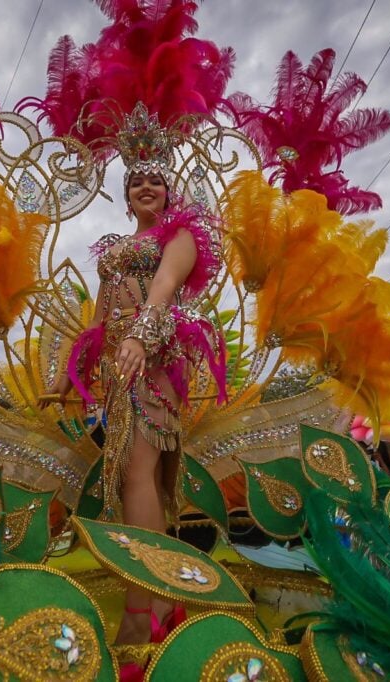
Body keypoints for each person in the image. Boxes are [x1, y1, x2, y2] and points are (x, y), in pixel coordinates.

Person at [40, 109, 224, 646]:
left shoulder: (183, 235)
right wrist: (63, 376)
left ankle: (147, 609)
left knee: (139, 476)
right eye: (136, 180)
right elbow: (96, 321)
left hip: (156, 358)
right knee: (125, 479)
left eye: (155, 180)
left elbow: (165, 289)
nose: (146, 186)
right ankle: (160, 599)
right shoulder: (116, 250)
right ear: (125, 197)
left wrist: (140, 338)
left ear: (169, 193)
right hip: (120, 367)